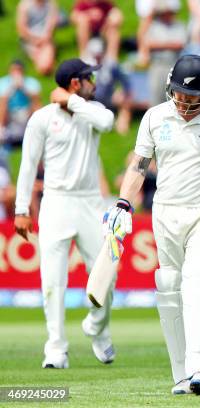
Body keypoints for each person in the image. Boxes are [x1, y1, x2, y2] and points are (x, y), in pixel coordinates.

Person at [105, 54, 200, 396]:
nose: (185, 103)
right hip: (166, 213)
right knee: (169, 284)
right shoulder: (156, 118)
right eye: (180, 96)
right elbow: (139, 165)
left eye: (193, 97)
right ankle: (182, 375)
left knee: (199, 283)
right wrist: (123, 203)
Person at [14, 58, 116, 369]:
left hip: (89, 202)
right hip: (56, 202)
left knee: (104, 276)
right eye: (89, 79)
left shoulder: (92, 112)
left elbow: (108, 122)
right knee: (52, 281)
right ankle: (55, 349)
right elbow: (28, 165)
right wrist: (21, 209)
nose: (94, 84)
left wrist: (70, 100)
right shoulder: (43, 118)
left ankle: (97, 328)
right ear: (76, 82)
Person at [0, 60, 41, 149]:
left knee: (34, 102)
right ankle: (1, 129)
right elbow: (2, 100)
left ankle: (39, 127)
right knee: (2, 102)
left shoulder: (31, 82)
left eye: (18, 70)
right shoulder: (3, 82)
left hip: (25, 113)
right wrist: (12, 87)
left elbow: (36, 101)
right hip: (10, 115)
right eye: (14, 70)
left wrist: (23, 88)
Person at [16, 0, 59, 75]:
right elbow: (21, 28)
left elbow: (52, 24)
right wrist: (34, 40)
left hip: (46, 39)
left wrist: (45, 38)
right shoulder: (24, 5)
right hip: (29, 40)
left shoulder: (51, 3)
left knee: (45, 66)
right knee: (43, 68)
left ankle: (48, 61)